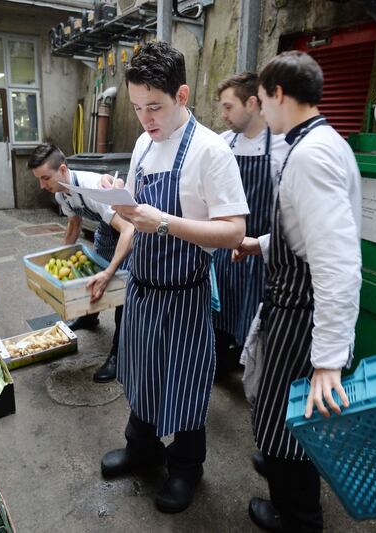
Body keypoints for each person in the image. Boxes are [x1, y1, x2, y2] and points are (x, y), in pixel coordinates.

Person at [100, 42, 248, 513]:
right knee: (142, 372)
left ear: (182, 95)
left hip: (184, 294)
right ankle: (142, 448)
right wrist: (113, 197)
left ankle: (186, 468)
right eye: (138, 107)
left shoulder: (210, 152)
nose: (146, 119)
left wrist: (163, 221)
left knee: (185, 383)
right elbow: (134, 213)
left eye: (155, 107)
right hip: (143, 289)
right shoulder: (144, 144)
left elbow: (233, 232)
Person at [234, 51, 361, 532]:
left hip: (302, 318)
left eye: (262, 101)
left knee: (286, 424)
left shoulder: (309, 155)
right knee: (287, 421)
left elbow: (337, 262)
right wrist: (260, 243)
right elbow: (308, 233)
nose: (261, 113)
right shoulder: (323, 141)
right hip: (296, 308)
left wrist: (328, 358)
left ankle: (298, 518)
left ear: (279, 95)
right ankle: (293, 500)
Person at [28, 143, 134, 383]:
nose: (41, 185)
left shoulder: (91, 189)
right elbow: (74, 225)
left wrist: (109, 272)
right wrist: (56, 262)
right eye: (38, 179)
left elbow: (129, 230)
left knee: (122, 296)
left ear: (62, 170)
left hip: (131, 237)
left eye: (45, 178)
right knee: (89, 275)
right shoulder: (61, 192)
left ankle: (120, 355)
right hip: (107, 234)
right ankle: (89, 316)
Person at [212, 71, 288, 377]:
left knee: (252, 321)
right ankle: (217, 363)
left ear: (253, 103)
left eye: (229, 107)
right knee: (219, 315)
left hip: (257, 251)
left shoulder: (281, 148)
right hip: (223, 245)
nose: (223, 114)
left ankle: (250, 375)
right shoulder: (221, 144)